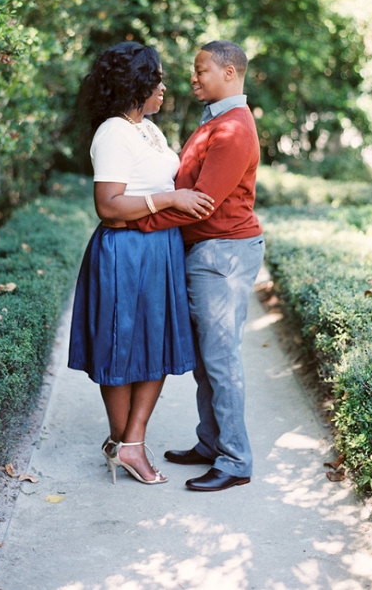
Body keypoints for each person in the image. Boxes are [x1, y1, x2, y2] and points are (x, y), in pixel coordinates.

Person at [67, 41, 214, 486]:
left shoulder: (147, 129)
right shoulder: (112, 131)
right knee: (119, 346)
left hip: (160, 249)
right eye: (157, 79)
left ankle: (131, 440)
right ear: (135, 85)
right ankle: (123, 440)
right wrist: (171, 198)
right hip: (126, 252)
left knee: (157, 345)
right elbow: (108, 206)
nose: (164, 87)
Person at [127, 40, 264, 492]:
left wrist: (139, 221)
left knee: (221, 361)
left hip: (223, 253)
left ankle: (235, 460)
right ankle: (212, 442)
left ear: (229, 72)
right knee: (208, 360)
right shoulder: (218, 121)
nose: (193, 77)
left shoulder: (234, 129)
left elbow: (201, 205)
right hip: (209, 251)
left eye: (201, 69)